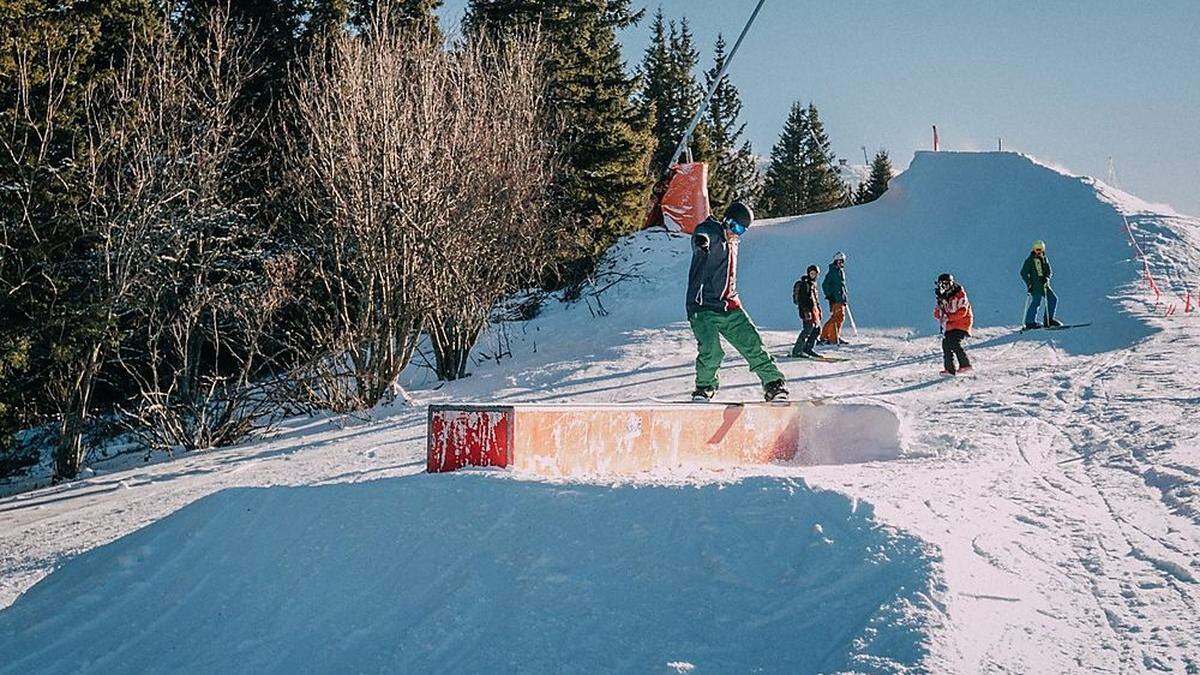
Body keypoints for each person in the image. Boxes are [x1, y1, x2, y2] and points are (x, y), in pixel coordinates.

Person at [686, 201, 788, 402]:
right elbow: (702, 232)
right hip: (703, 305)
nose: (736, 233)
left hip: (729, 305)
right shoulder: (712, 232)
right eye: (734, 227)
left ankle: (773, 384)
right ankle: (704, 387)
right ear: (726, 220)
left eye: (741, 230)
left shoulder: (733, 241)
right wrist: (701, 242)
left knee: (753, 344)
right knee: (711, 350)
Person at [933, 273, 973, 376]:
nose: (944, 287)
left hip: (962, 323)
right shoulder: (942, 297)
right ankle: (950, 369)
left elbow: (962, 312)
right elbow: (937, 314)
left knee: (954, 342)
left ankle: (965, 365)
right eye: (942, 284)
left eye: (946, 284)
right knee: (946, 344)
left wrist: (949, 317)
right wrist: (940, 312)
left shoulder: (959, 295)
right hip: (950, 325)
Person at [1020, 239, 1062, 329]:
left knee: (1053, 299)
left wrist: (1046, 277)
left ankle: (1048, 320)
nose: (1038, 252)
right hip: (1035, 286)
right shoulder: (1030, 260)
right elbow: (1023, 272)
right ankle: (1030, 322)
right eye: (1037, 250)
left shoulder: (1044, 258)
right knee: (1036, 302)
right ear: (1033, 249)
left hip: (1044, 285)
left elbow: (1049, 271)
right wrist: (1029, 284)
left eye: (1040, 250)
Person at [790, 265, 822, 358]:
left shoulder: (813, 284)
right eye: (811, 273)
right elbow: (802, 299)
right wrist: (806, 311)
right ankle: (797, 351)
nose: (813, 275)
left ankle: (808, 348)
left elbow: (815, 300)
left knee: (817, 329)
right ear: (808, 273)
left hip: (814, 311)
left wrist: (819, 311)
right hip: (807, 311)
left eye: (814, 274)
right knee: (807, 330)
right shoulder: (805, 284)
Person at [818, 251, 848, 345]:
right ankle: (832, 338)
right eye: (839, 261)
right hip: (836, 299)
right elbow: (825, 284)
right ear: (835, 261)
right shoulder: (833, 272)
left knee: (839, 317)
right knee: (837, 317)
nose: (841, 263)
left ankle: (828, 336)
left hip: (841, 298)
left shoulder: (840, 272)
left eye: (842, 261)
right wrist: (830, 295)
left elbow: (841, 285)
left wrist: (844, 295)